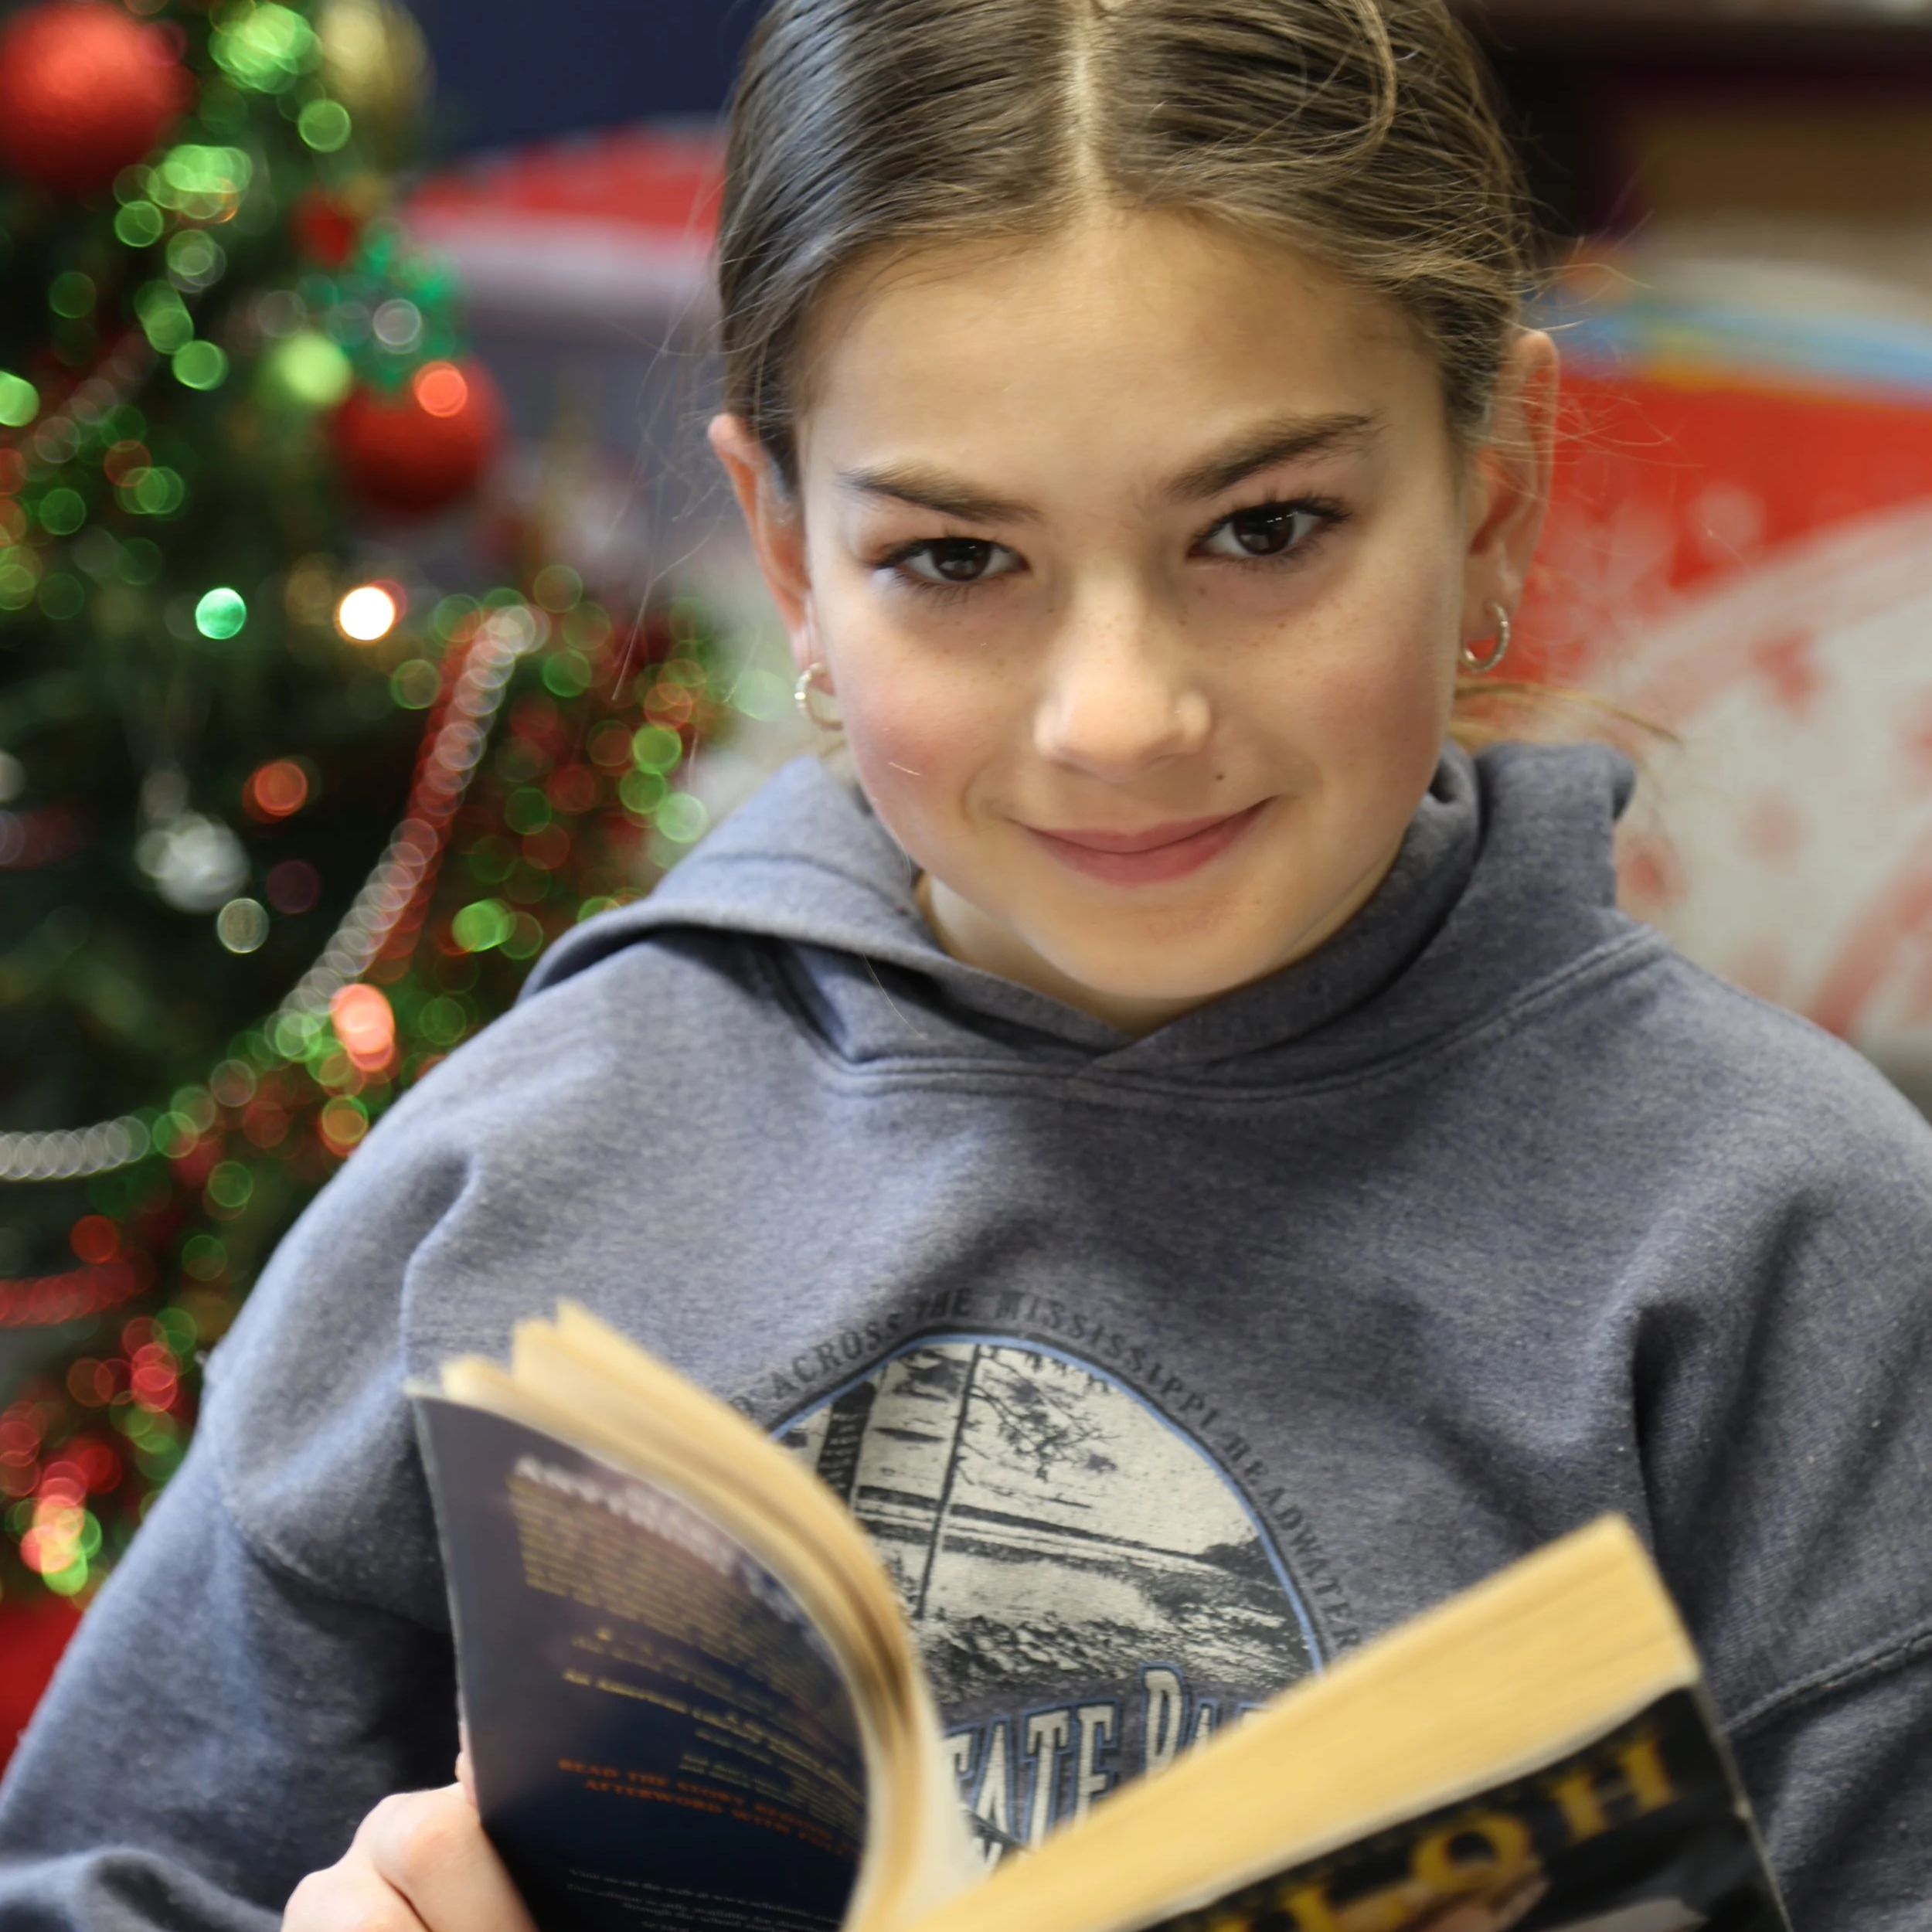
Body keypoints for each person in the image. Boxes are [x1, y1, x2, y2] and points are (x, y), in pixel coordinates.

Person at [3, 0, 1929, 1927]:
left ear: (1490, 489)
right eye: (953, 558)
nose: (1118, 714)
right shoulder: (503, 1182)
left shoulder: (1781, 1230)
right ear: (788, 559)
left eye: (1262, 529)